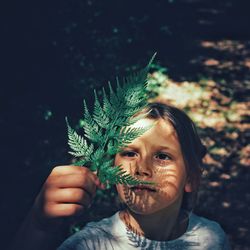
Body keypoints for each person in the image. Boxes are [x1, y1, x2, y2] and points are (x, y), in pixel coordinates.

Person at [10, 102, 230, 250]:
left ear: (191, 178)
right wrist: (37, 226)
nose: (141, 168)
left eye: (162, 156)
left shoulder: (211, 238)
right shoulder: (90, 244)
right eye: (129, 153)